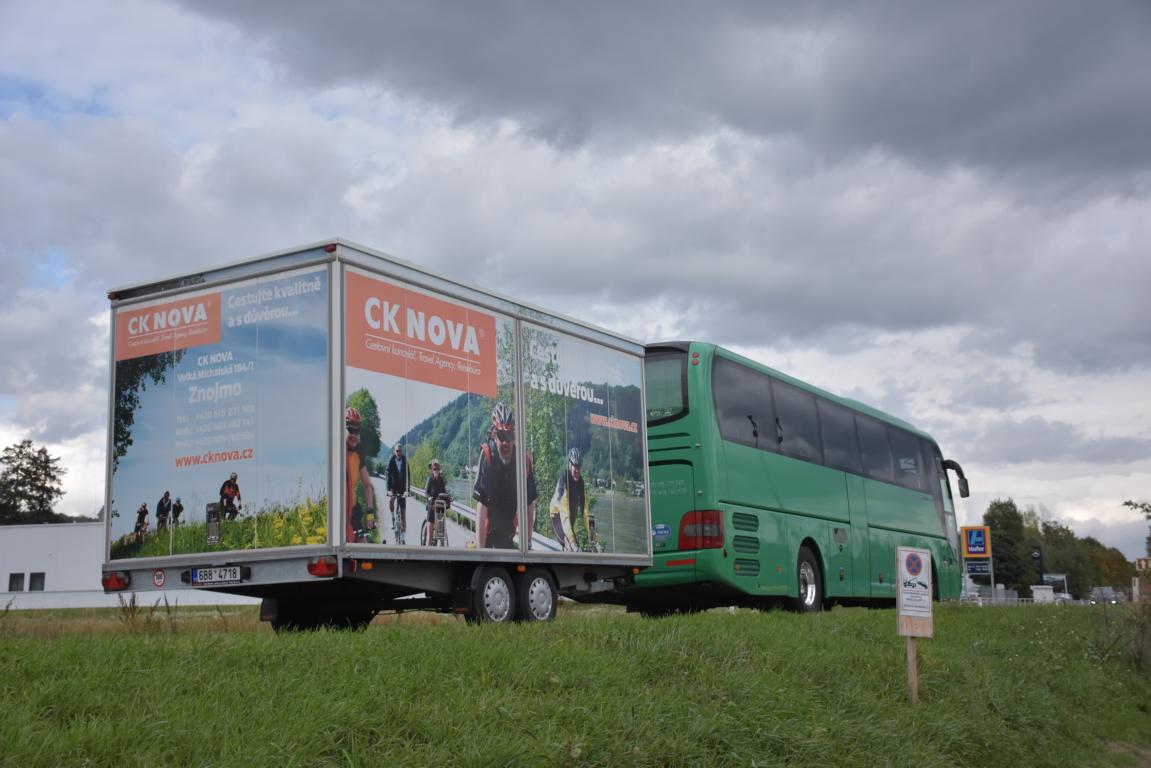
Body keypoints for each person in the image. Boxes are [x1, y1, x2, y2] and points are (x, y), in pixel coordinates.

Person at [473, 402, 536, 549]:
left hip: (508, 533)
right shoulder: (488, 456)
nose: (506, 442)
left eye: (510, 435)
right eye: (502, 436)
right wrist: (480, 551)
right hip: (488, 533)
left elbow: (529, 504)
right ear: (495, 435)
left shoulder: (523, 460)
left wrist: (527, 542)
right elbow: (481, 507)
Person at [345, 407, 377, 543]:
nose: (354, 434)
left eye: (357, 430)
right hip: (339, 511)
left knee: (363, 545)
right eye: (350, 429)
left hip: (353, 509)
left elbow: (367, 485)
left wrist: (370, 512)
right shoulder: (337, 450)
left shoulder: (358, 452)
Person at [549, 447, 586, 552]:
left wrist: (593, 537)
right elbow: (563, 510)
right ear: (570, 465)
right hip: (557, 514)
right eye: (575, 466)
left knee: (576, 548)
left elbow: (585, 511)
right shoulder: (564, 478)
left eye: (579, 466)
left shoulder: (580, 483)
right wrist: (571, 540)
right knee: (568, 544)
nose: (577, 470)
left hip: (569, 517)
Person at [386, 442, 410, 543]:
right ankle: (392, 517)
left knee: (403, 513)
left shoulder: (405, 461)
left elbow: (408, 476)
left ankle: (403, 536)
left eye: (400, 451)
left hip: (402, 488)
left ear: (402, 451)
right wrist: (388, 490)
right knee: (391, 501)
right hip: (393, 487)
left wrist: (407, 491)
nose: (399, 452)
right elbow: (388, 476)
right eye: (397, 451)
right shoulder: (391, 461)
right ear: (394, 451)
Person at [424, 459, 449, 545]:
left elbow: (444, 492)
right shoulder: (430, 479)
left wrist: (449, 497)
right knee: (429, 537)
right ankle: (427, 550)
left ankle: (440, 552)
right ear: (432, 470)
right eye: (434, 469)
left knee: (441, 537)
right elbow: (426, 492)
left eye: (437, 469)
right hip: (432, 507)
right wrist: (429, 497)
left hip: (440, 507)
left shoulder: (441, 480)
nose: (436, 470)